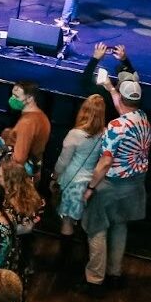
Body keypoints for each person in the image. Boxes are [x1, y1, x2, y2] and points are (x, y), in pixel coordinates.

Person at [80, 69, 150, 294]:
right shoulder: (143, 119)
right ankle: (114, 273)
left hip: (111, 186)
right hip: (135, 184)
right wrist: (110, 88)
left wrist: (90, 187)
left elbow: (105, 163)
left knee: (97, 229)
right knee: (120, 227)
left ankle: (94, 280)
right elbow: (124, 109)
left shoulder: (116, 127)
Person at [51, 95, 107, 264]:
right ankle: (85, 261)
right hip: (90, 183)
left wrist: (54, 176)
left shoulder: (75, 134)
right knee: (85, 224)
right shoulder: (104, 133)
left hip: (72, 183)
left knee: (67, 222)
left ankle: (64, 260)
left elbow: (63, 161)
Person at [0, 80, 51, 178]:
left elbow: (19, 158)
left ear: (30, 98)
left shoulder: (27, 122)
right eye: (13, 95)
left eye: (17, 97)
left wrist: (2, 175)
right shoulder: (41, 116)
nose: (12, 99)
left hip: (19, 177)